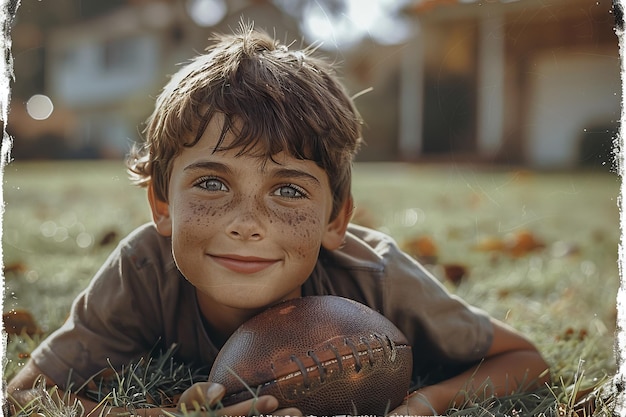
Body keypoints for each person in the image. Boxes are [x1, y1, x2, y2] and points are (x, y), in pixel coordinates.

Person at [7, 24, 550, 416]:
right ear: (161, 205)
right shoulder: (142, 270)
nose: (247, 222)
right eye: (213, 184)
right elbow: (26, 392)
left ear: (335, 218)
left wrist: (423, 406)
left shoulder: (373, 277)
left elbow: (524, 359)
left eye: (287, 190)